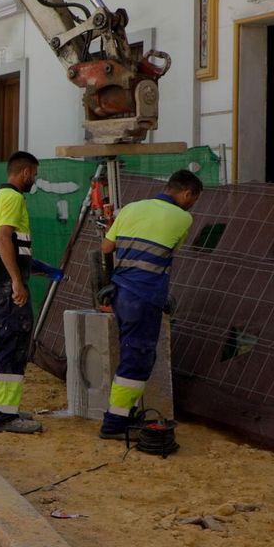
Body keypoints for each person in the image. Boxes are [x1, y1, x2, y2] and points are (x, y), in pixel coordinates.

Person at [98, 169, 204, 440]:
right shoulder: (183, 218)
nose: (192, 204)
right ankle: (115, 423)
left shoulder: (131, 208)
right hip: (144, 296)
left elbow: (106, 248)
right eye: (194, 199)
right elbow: (170, 250)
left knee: (134, 354)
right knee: (137, 358)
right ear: (187, 193)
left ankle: (125, 413)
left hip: (120, 293)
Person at [0, 151, 42, 434]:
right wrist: (17, 280)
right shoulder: (14, 199)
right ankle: (6, 416)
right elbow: (6, 237)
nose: (35, 180)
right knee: (14, 345)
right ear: (26, 173)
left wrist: (28, 264)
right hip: (9, 289)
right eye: (35, 174)